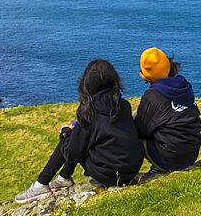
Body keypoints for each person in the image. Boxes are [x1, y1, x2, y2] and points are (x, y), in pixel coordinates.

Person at [15, 58, 144, 203]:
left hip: (110, 175)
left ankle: (41, 184)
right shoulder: (124, 105)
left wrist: (65, 133)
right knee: (78, 133)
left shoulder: (89, 113)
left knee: (73, 136)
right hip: (131, 168)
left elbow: (72, 154)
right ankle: (63, 178)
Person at [133, 47, 201, 174]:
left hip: (170, 159)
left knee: (131, 128)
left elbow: (141, 130)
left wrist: (135, 116)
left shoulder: (152, 96)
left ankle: (151, 169)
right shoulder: (184, 86)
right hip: (191, 154)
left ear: (145, 75)